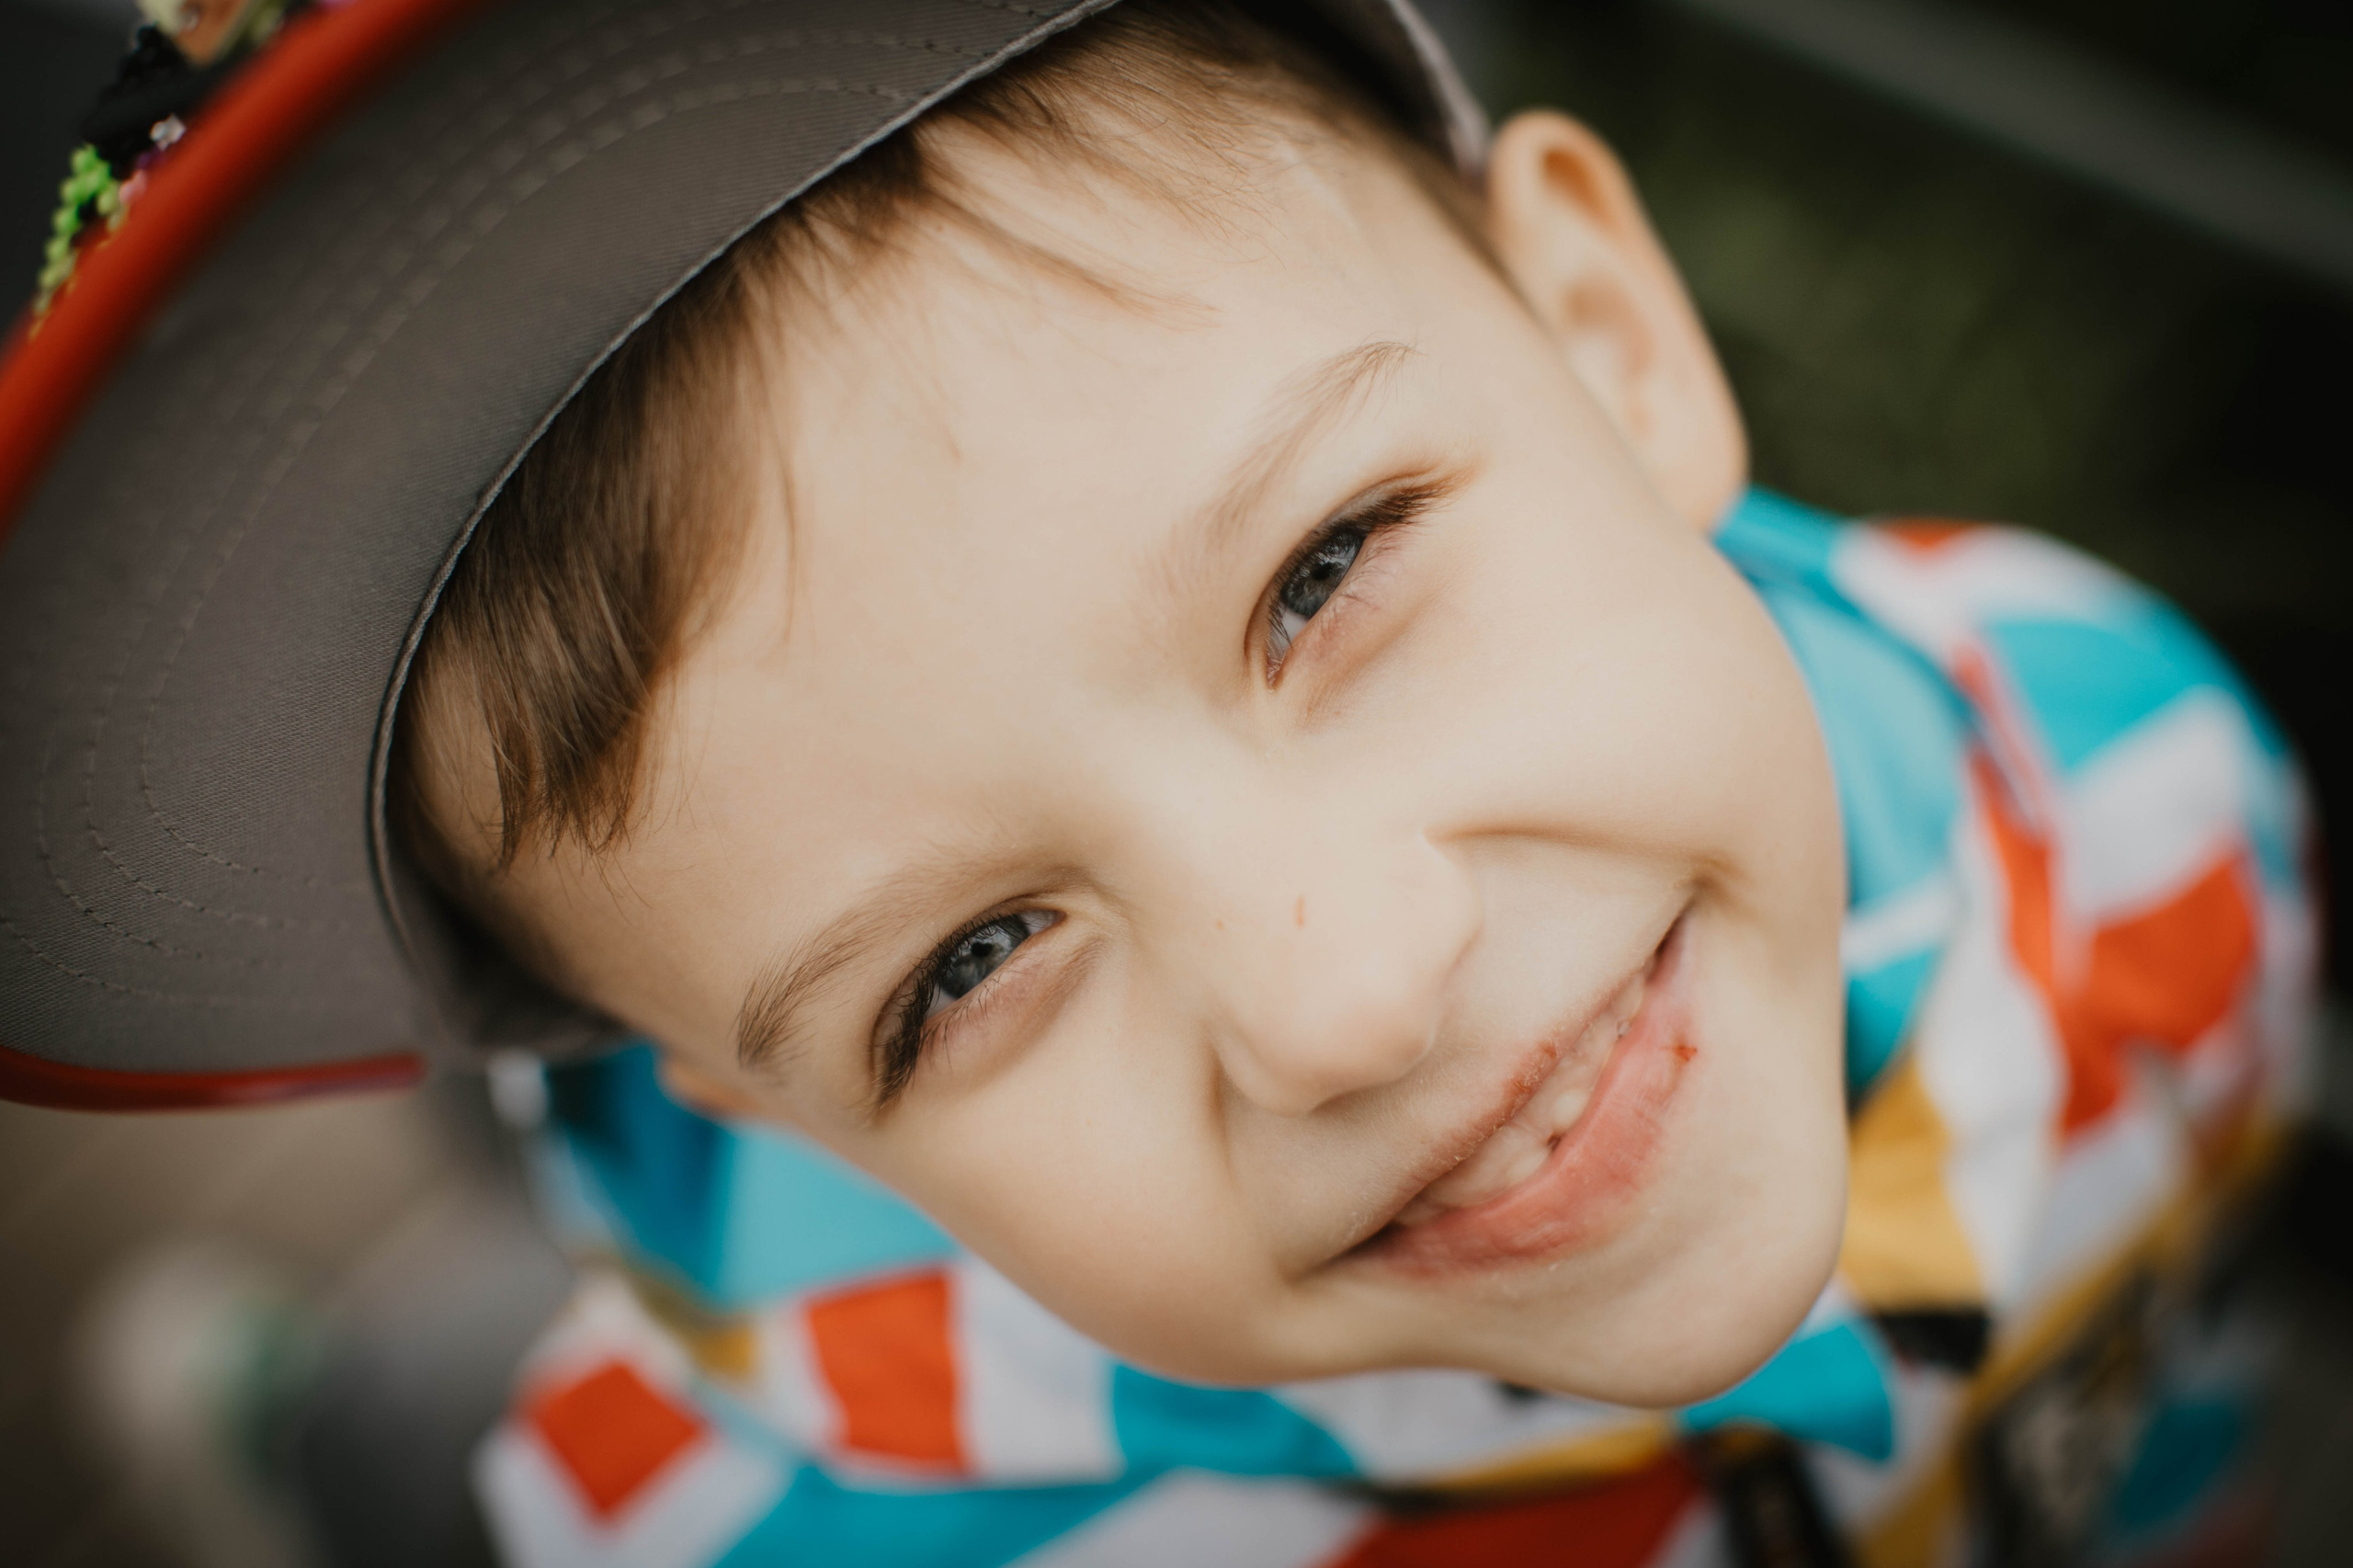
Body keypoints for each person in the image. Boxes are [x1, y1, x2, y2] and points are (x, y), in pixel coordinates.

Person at [0, 1, 2314, 1563]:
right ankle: (319, 1420)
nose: (1349, 1001)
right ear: (751, 1092)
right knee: (436, 1421)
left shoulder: (2136, 790)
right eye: (966, 960)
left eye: (1324, 573)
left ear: (1608, 341)